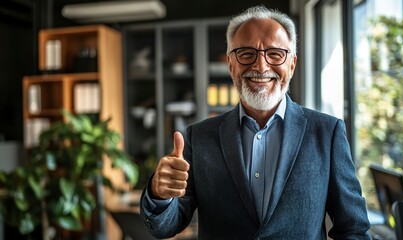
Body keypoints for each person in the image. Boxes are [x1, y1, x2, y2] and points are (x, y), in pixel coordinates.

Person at [140, 5, 371, 239]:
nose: (260, 66)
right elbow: (166, 226)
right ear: (231, 65)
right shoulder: (198, 137)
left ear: (291, 65)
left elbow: (353, 229)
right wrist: (159, 194)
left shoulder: (327, 133)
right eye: (246, 54)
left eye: (275, 54)